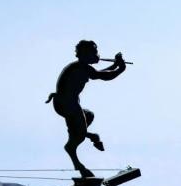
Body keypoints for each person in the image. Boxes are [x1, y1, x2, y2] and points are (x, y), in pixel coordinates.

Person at [45, 40, 127, 177]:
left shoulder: (81, 67)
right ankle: (77, 160)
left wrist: (116, 65)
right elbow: (103, 76)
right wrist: (120, 69)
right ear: (85, 54)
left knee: (88, 116)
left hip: (66, 102)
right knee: (78, 134)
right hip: (67, 103)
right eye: (94, 53)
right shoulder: (80, 68)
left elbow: (98, 74)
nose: (97, 55)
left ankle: (85, 135)